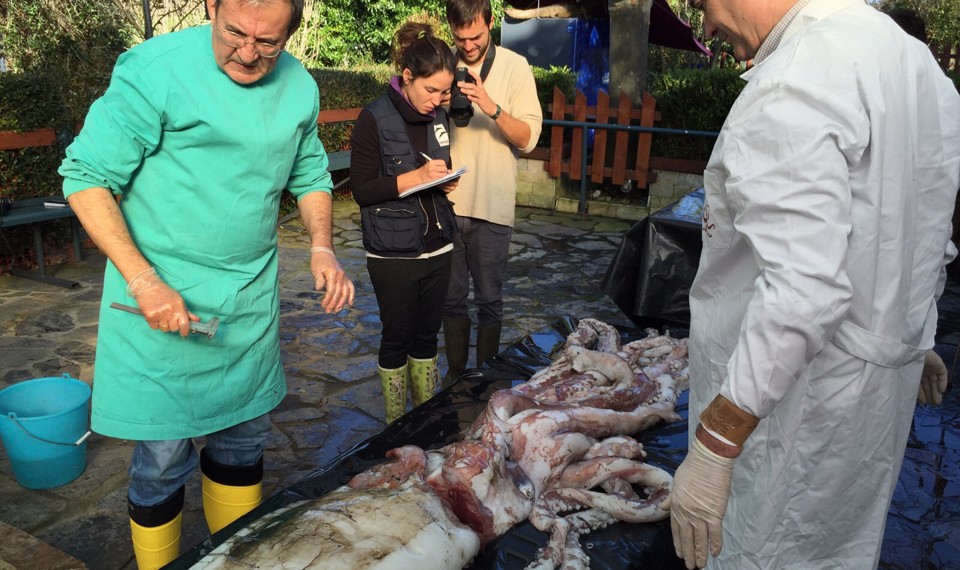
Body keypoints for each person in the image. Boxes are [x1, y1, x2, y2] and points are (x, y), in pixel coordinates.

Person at [58, 0, 355, 568]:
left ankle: (236, 559)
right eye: (234, 33)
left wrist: (322, 246)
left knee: (244, 447)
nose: (248, 54)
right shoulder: (153, 70)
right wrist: (143, 281)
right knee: (162, 460)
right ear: (212, 8)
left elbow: (311, 172)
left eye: (268, 43)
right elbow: (86, 177)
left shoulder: (299, 86)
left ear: (291, 31)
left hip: (246, 305)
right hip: (159, 304)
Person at [664, 1, 960, 569]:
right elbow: (920, 232)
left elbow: (804, 292)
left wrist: (716, 441)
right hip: (869, 397)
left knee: (766, 551)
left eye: (702, 5)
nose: (706, 26)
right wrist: (909, 331)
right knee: (837, 550)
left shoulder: (794, 78)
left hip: (793, 406)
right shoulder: (912, 60)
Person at [349, 21, 459, 423]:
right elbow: (362, 190)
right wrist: (414, 179)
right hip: (393, 253)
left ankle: (424, 420)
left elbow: (438, 167)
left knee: (428, 339)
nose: (438, 100)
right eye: (431, 90)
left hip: (440, 244)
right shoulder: (372, 119)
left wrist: (445, 182)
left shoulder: (439, 118)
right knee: (397, 339)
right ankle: (396, 427)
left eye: (444, 91)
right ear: (407, 77)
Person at [441, 0, 543, 382]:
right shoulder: (444, 64)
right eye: (459, 38)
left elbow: (530, 139)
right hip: (448, 202)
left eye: (476, 37)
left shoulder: (516, 67)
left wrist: (491, 106)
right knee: (450, 301)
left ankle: (483, 380)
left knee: (489, 302)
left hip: (493, 204)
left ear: (490, 22)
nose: (467, 46)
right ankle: (454, 378)